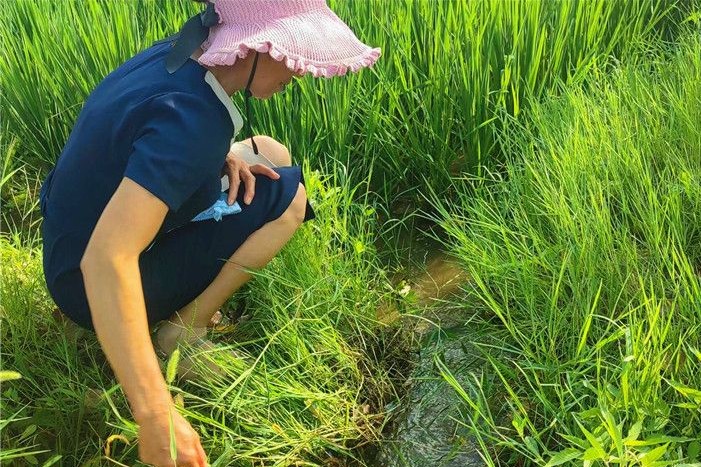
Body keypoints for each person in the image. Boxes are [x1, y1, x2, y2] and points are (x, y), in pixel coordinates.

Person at [38, 0, 380, 465]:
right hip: (85, 283)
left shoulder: (180, 55)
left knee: (270, 153)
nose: (301, 71)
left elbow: (147, 136)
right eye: (292, 51)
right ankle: (183, 331)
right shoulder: (193, 121)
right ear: (257, 45)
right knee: (291, 201)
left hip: (66, 242)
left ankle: (182, 309)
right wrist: (156, 413)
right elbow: (107, 256)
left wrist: (218, 157)